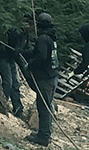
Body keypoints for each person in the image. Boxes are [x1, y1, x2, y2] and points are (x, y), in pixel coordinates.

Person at [22, 12, 59, 147]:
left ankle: (44, 136)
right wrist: (24, 53)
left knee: (43, 107)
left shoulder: (43, 38)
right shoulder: (51, 37)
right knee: (47, 106)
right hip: (53, 76)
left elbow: (41, 57)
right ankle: (44, 133)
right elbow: (40, 52)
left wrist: (29, 65)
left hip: (46, 78)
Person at [0, 16, 30, 118]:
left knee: (16, 83)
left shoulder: (26, 34)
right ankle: (3, 103)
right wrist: (23, 65)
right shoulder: (15, 31)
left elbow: (25, 49)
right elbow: (13, 50)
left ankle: (18, 108)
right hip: (4, 56)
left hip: (13, 59)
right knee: (8, 82)